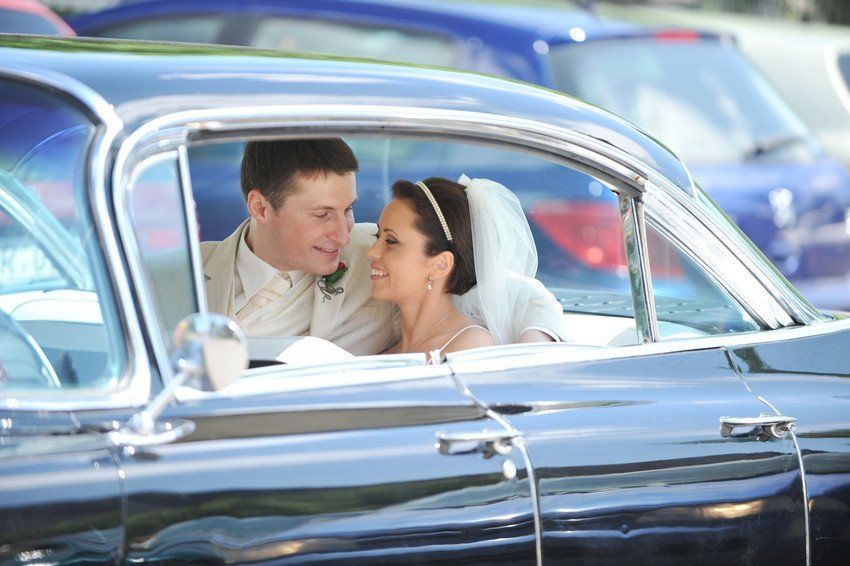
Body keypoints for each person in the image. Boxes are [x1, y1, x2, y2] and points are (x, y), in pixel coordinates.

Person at [201, 138, 565, 357]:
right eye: (323, 215)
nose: (344, 236)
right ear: (261, 207)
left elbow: (514, 292)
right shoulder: (182, 269)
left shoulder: (370, 258)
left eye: (348, 210)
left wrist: (532, 353)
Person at [368, 176, 566, 363]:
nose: (371, 252)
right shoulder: (383, 351)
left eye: (391, 241)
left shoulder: (470, 349)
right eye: (377, 236)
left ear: (440, 265)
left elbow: (528, 297)